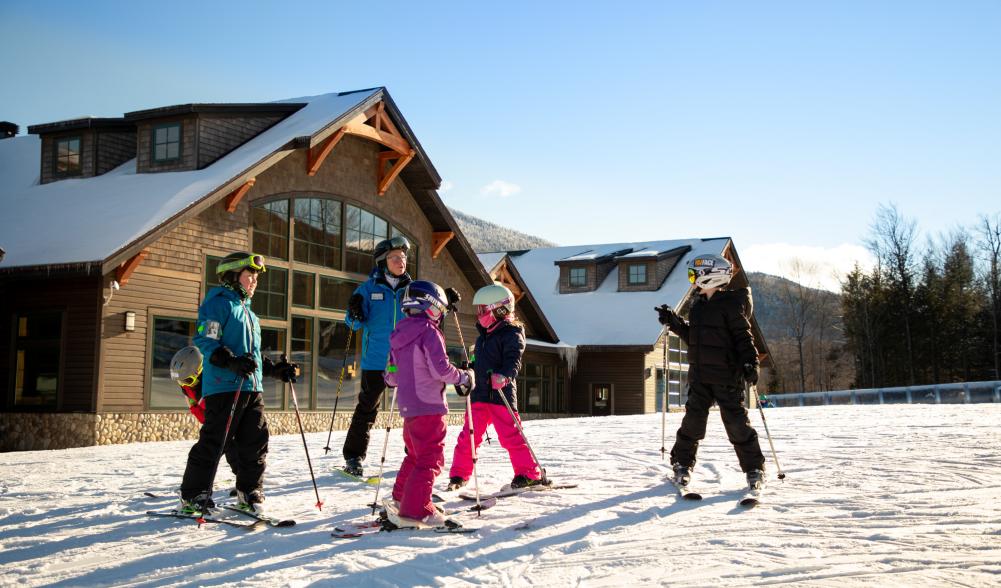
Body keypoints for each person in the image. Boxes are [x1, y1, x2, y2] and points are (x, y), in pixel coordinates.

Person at [179, 252, 297, 514]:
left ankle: (249, 490)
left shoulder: (249, 313)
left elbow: (251, 355)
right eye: (250, 275)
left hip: (251, 388)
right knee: (216, 441)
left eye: (256, 276)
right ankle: (193, 494)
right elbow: (205, 340)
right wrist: (230, 361)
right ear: (233, 276)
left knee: (255, 440)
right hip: (224, 386)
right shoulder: (219, 304)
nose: (254, 281)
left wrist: (276, 369)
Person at [656, 253, 766, 491]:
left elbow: (743, 337)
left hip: (727, 377)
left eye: (695, 274)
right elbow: (694, 337)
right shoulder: (698, 306)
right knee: (692, 423)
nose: (692, 279)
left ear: (711, 277)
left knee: (737, 424)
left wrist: (751, 362)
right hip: (700, 378)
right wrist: (674, 323)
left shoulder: (731, 304)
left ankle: (754, 468)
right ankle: (682, 464)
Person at [382, 280, 474, 527]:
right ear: (431, 307)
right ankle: (418, 509)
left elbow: (390, 374)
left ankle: (403, 499)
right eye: (440, 310)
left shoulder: (398, 334)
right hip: (429, 405)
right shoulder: (430, 332)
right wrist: (464, 376)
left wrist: (394, 372)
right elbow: (440, 369)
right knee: (430, 458)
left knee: (415, 455)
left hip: (408, 406)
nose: (440, 315)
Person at [446, 283, 545, 491]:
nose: (479, 314)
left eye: (483, 309)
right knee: (469, 436)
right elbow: (480, 363)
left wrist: (504, 376)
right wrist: (469, 370)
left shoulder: (512, 333)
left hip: (501, 394)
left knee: (511, 436)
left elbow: (513, 361)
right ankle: (458, 474)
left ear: (499, 309)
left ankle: (528, 474)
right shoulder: (484, 336)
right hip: (479, 395)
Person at [341, 236, 413, 477]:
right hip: (377, 362)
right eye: (395, 258)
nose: (400, 261)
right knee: (367, 408)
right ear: (383, 261)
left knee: (412, 408)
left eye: (403, 257)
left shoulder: (412, 290)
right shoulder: (368, 289)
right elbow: (352, 324)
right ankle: (353, 457)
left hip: (405, 362)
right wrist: (354, 312)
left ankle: (415, 454)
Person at [169, 346, 238, 478]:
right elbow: (201, 415)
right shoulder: (188, 389)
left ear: (199, 371)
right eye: (180, 381)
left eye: (187, 380)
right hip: (213, 422)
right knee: (207, 452)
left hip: (229, 420)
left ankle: (243, 479)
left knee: (233, 450)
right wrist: (195, 407)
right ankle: (199, 483)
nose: (184, 384)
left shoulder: (211, 384)